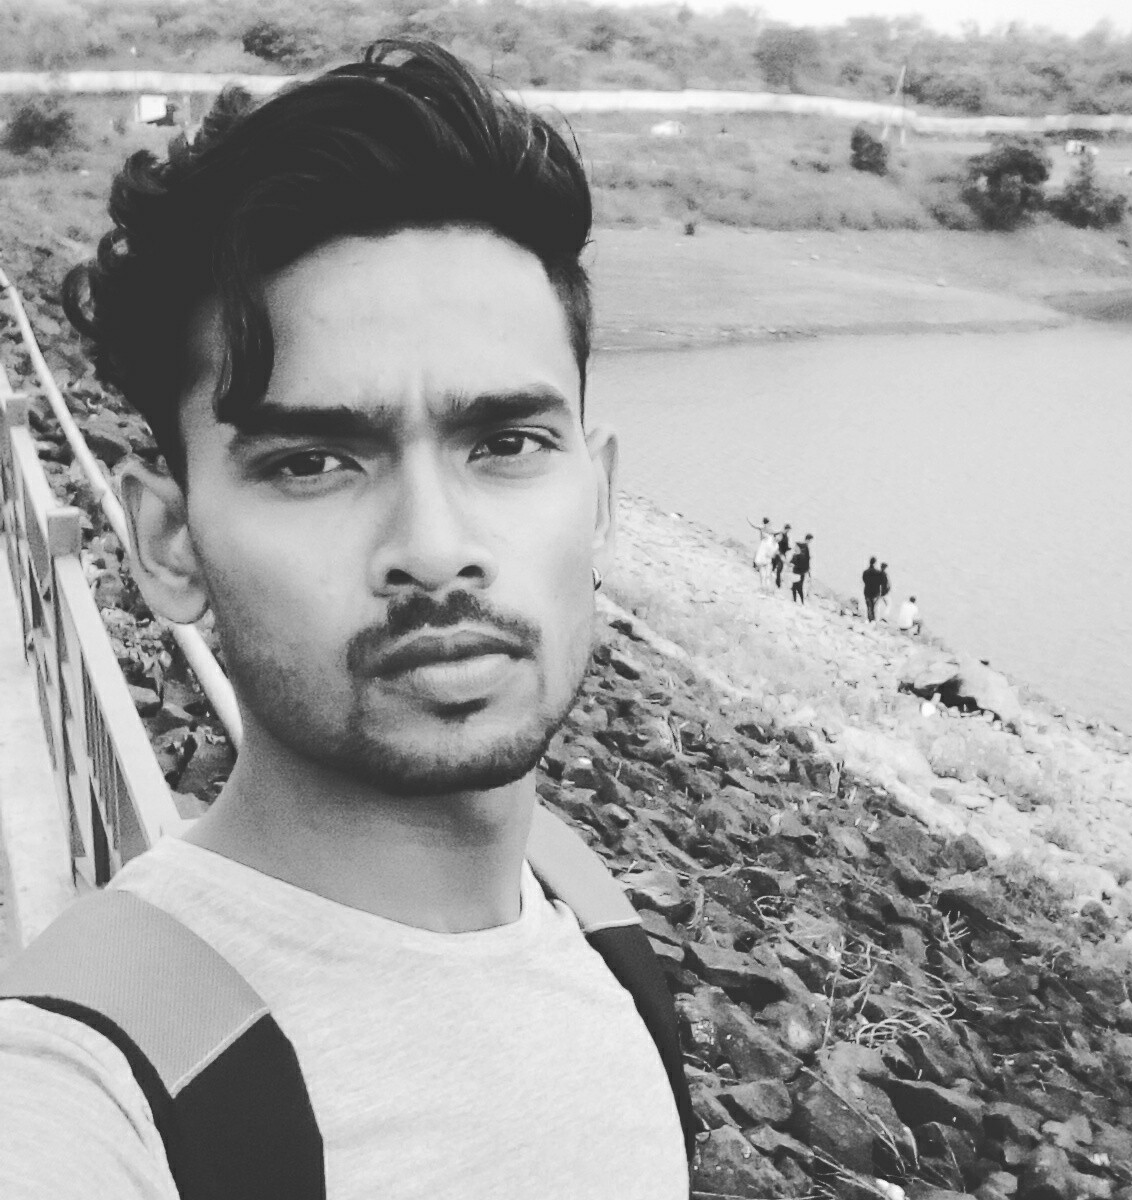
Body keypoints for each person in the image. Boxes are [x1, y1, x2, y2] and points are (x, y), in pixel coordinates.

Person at [0, 42, 691, 1200]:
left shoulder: (588, 914)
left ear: (601, 499)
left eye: (507, 443)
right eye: (312, 461)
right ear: (169, 543)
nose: (434, 546)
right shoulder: (89, 1090)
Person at [789, 533, 813, 604]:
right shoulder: (804, 547)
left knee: (797, 586)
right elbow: (805, 559)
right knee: (798, 586)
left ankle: (797, 601)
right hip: (800, 570)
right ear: (808, 539)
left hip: (800, 570)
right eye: (810, 540)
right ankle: (799, 601)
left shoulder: (804, 547)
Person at [862, 556, 883, 621]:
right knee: (875, 607)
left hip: (867, 591)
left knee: (869, 607)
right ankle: (874, 620)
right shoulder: (878, 572)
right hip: (875, 592)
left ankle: (870, 619)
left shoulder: (865, 572)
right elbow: (881, 582)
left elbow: (864, 580)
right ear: (875, 563)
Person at [772, 522, 792, 588]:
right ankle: (778, 583)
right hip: (779, 553)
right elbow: (776, 540)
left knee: (777, 568)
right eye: (788, 529)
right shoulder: (782, 535)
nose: (788, 530)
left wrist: (788, 548)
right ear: (786, 529)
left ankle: (777, 582)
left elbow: (785, 545)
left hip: (781, 553)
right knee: (779, 568)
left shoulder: (785, 536)